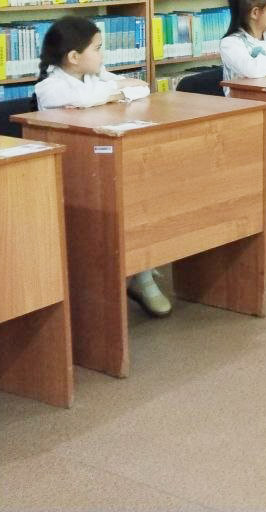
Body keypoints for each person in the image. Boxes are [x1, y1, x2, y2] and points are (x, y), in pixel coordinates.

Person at [34, 17, 162, 315]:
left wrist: (109, 89)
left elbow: (142, 88)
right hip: (72, 173)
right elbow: (85, 98)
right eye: (97, 48)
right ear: (74, 57)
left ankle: (141, 270)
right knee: (124, 199)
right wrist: (114, 91)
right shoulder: (49, 88)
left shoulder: (93, 78)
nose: (103, 55)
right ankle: (136, 273)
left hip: (101, 162)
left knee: (142, 192)